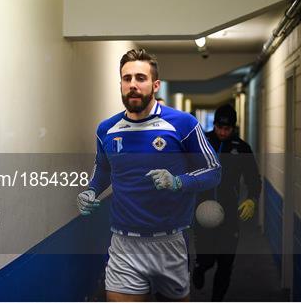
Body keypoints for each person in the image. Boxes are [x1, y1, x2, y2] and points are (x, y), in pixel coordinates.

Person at [76, 49, 221, 302]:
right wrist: (90, 190)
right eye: (127, 78)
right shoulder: (106, 129)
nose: (133, 85)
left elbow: (214, 171)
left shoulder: (183, 125)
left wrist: (178, 182)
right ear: (120, 83)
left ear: (155, 85)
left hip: (170, 242)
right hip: (124, 243)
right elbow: (104, 168)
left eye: (140, 78)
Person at [192, 104, 262, 301]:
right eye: (219, 128)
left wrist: (252, 199)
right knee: (206, 258)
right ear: (214, 125)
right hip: (202, 210)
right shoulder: (201, 143)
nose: (223, 132)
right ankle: (200, 268)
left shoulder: (242, 148)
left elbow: (254, 179)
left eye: (227, 129)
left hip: (229, 213)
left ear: (234, 128)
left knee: (225, 262)